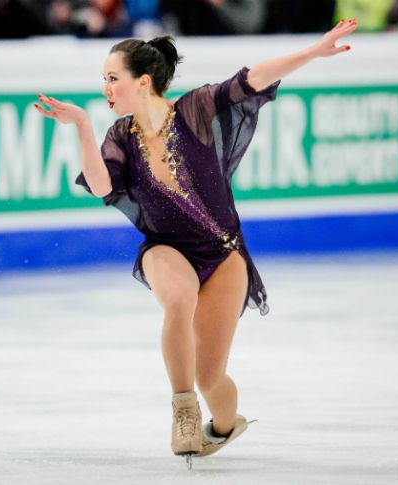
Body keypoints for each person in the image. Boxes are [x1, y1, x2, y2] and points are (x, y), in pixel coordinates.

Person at [33, 18, 358, 464]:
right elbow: (103, 185)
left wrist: (312, 52)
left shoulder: (194, 110)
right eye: (103, 80)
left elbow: (252, 78)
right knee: (180, 298)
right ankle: (183, 413)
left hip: (224, 255)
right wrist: (83, 126)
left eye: (113, 78)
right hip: (164, 250)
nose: (106, 87)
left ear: (142, 81)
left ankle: (225, 423)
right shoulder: (120, 137)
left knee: (212, 379)